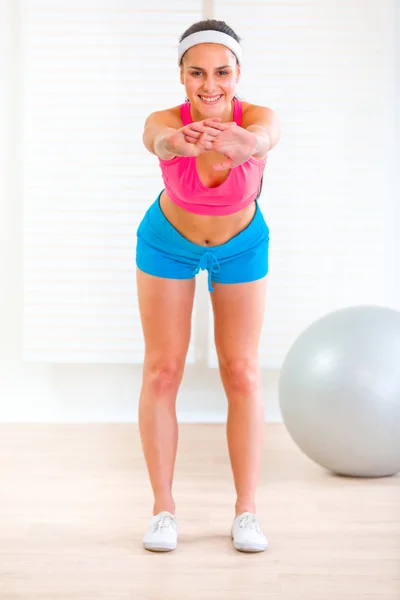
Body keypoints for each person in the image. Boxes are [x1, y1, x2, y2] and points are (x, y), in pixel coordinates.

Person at [136, 19, 280, 553]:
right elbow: (152, 136)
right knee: (162, 368)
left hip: (241, 246)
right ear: (182, 76)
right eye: (197, 72)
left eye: (222, 71)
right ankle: (163, 510)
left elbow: (270, 133)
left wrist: (254, 143)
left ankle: (246, 512)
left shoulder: (256, 120)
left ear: (238, 73)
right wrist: (170, 144)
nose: (210, 84)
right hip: (167, 241)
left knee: (241, 371)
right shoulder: (166, 122)